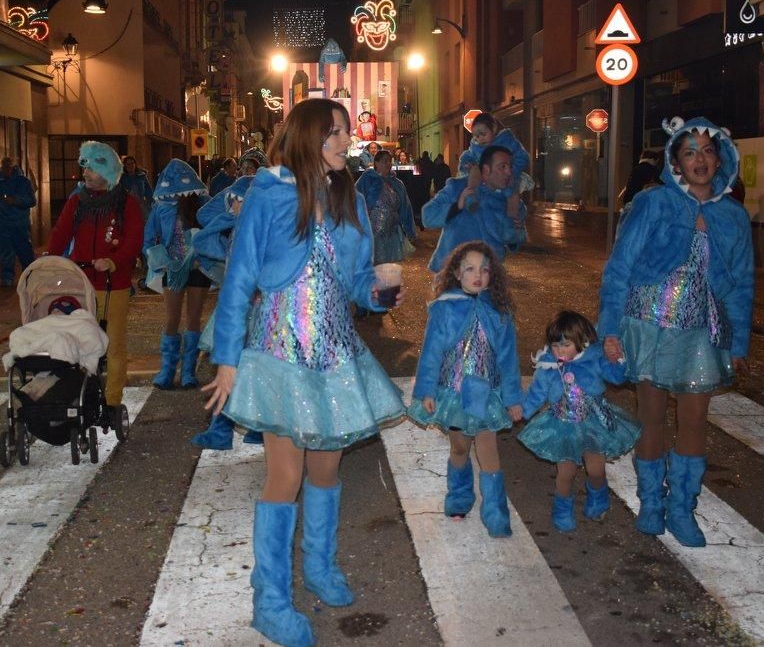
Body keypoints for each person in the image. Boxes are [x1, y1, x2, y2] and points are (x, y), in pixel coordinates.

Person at [202, 98, 405, 647]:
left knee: (324, 472)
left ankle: (318, 567)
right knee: (284, 476)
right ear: (307, 137)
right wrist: (227, 363)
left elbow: (358, 280)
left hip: (336, 358)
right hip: (276, 355)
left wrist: (380, 294)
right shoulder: (269, 195)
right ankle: (270, 601)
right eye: (334, 132)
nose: (345, 140)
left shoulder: (350, 197)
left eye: (344, 132)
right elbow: (239, 282)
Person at [599, 117, 753, 548]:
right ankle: (651, 502)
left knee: (695, 420)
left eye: (707, 151)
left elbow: (741, 283)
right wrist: (609, 329)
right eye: (689, 152)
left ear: (720, 158)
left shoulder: (733, 216)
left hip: (702, 333)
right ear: (675, 162)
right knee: (651, 417)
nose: (699, 160)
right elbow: (619, 269)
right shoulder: (653, 204)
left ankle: (683, 508)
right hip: (650, 326)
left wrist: (738, 341)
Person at [406, 240, 521, 537]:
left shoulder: (499, 313)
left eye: (484, 269)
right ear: (457, 274)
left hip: (486, 394)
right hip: (454, 393)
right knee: (459, 447)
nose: (477, 274)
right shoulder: (445, 309)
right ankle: (459, 496)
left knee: (488, 448)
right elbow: (431, 353)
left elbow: (508, 359)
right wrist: (427, 391)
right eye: (469, 268)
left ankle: (495, 512)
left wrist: (512, 398)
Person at [518, 310, 641, 532]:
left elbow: (617, 376)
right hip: (561, 425)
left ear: (582, 342)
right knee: (565, 472)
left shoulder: (594, 360)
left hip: (593, 424)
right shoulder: (549, 368)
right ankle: (562, 509)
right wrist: (521, 411)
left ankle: (597, 497)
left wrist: (618, 359)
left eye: (565, 345)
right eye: (555, 346)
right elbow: (537, 394)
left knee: (596, 470)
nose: (559, 351)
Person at [47, 142, 143, 422]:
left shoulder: (127, 204)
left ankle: (112, 400)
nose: (85, 172)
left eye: (92, 167)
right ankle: (79, 395)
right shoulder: (77, 202)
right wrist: (50, 262)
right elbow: (60, 234)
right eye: (84, 166)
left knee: (113, 345)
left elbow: (133, 241)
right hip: (81, 285)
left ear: (107, 170)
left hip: (114, 285)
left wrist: (114, 260)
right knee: (78, 341)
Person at [189, 176, 264, 450]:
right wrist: (229, 217)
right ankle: (229, 429)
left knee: (250, 369)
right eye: (231, 200)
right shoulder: (236, 230)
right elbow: (203, 236)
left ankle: (247, 427)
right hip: (237, 309)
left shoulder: (260, 231)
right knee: (234, 367)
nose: (234, 204)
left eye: (239, 199)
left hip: (256, 311)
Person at [145, 159, 212, 390]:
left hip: (198, 269)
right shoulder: (160, 208)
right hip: (172, 270)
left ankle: (188, 372)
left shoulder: (203, 204)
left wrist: (203, 256)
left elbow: (215, 234)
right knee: (171, 319)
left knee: (193, 319)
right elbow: (148, 240)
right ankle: (167, 370)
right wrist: (160, 261)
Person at [424, 146, 526, 273]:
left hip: (487, 278)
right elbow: (428, 215)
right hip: (453, 276)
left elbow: (511, 241)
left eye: (510, 167)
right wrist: (457, 206)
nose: (509, 172)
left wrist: (514, 225)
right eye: (503, 167)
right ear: (486, 169)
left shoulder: (511, 201)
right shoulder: (458, 188)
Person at [460, 113, 530, 234]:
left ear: (493, 128)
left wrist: (511, 171)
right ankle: (472, 199)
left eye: (483, 134)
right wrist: (467, 164)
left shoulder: (507, 141)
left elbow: (522, 157)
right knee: (475, 170)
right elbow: (468, 156)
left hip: (506, 178)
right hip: (485, 180)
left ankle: (512, 230)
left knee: (512, 198)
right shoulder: (475, 147)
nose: (480, 138)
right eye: (476, 136)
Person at [355, 149, 417, 264]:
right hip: (372, 232)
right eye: (385, 161)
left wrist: (410, 230)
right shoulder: (368, 179)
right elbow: (354, 199)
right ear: (376, 163)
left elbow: (405, 208)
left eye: (390, 161)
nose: (388, 164)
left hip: (392, 233)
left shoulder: (397, 184)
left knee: (389, 269)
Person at [0, 156, 37, 287]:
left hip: (19, 224)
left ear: (13, 167)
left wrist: (15, 201)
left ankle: (29, 276)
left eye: (8, 166)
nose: (5, 169)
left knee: (24, 251)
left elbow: (32, 201)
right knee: (5, 253)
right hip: (3, 225)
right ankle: (7, 278)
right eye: (3, 166)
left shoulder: (23, 182)